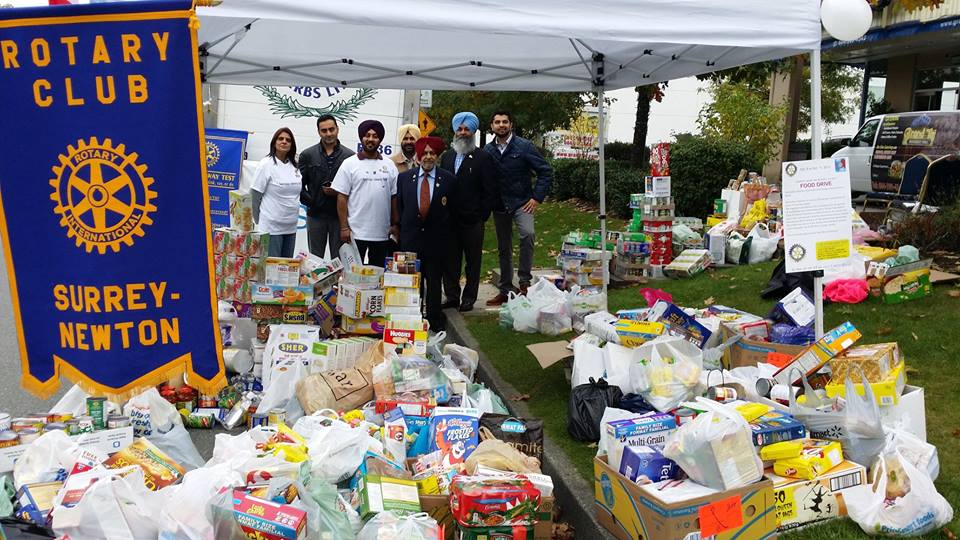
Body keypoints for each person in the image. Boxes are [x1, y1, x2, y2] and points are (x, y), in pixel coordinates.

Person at [483, 111, 553, 306]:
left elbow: (545, 171)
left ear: (511, 125)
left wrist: (536, 198)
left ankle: (524, 282)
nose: (501, 125)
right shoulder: (487, 150)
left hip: (522, 203)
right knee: (503, 247)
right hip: (499, 205)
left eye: (505, 122)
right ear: (492, 126)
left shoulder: (524, 146)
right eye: (497, 122)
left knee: (528, 234)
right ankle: (505, 289)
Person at [440, 111, 499, 312]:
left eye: (467, 129)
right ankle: (452, 296)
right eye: (460, 129)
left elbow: (490, 190)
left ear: (473, 132)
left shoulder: (483, 157)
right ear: (455, 131)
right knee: (450, 260)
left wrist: (481, 216)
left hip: (472, 220)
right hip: (449, 220)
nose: (463, 132)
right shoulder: (447, 157)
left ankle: (469, 298)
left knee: (473, 261)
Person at [397, 136, 455, 332]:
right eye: (425, 153)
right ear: (419, 156)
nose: (428, 156)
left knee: (434, 281)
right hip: (411, 240)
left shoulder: (448, 180)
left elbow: (453, 211)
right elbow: (400, 207)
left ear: (437, 156)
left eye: (432, 153)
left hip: (436, 241)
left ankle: (434, 321)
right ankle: (413, 320)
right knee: (412, 283)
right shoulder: (405, 178)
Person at [331, 119, 400, 266]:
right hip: (355, 233)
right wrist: (344, 227)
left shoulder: (389, 165)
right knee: (353, 275)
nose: (370, 139)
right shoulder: (349, 164)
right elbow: (342, 197)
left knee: (378, 274)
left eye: (375, 136)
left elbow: (394, 197)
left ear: (380, 140)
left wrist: (395, 224)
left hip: (382, 233)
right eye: (367, 135)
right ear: (361, 138)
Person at [299, 114, 354, 258]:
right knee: (315, 259)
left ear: (337, 129)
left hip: (340, 218)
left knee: (340, 259)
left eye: (331, 129)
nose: (328, 133)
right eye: (324, 130)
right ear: (318, 132)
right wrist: (312, 202)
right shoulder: (307, 155)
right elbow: (298, 186)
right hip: (316, 216)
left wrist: (338, 192)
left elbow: (355, 189)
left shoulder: (350, 157)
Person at [251, 127, 301, 258]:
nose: (284, 142)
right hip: (271, 228)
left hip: (291, 227)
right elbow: (255, 194)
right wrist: (258, 219)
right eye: (280, 139)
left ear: (292, 145)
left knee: (287, 267)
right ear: (274, 143)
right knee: (272, 268)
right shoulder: (266, 164)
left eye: (288, 140)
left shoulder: (295, 165)